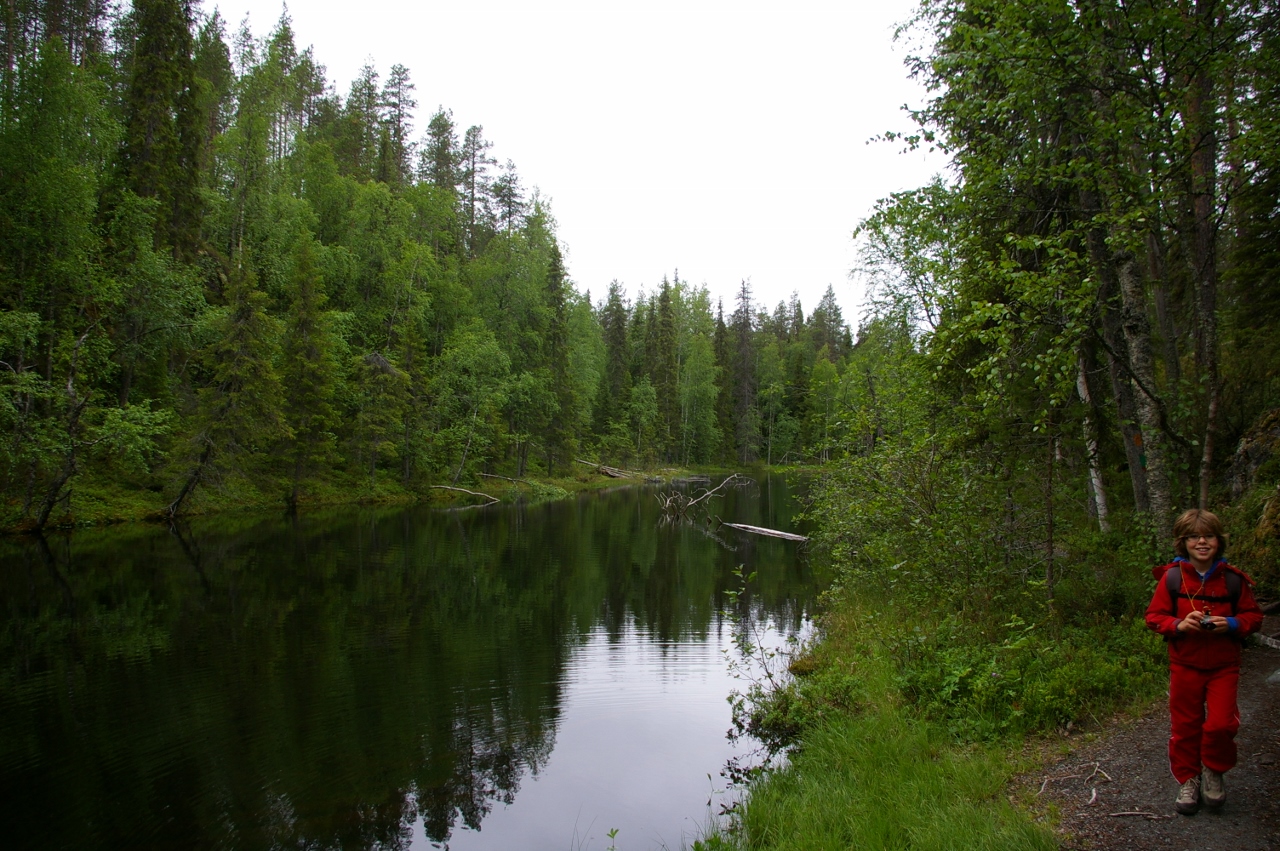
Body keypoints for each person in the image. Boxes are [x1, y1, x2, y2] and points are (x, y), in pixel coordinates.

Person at [1145, 508, 1264, 815]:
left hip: (1224, 665)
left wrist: (1233, 624)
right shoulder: (1171, 578)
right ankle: (1189, 779)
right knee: (1185, 726)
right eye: (1194, 537)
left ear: (1218, 541)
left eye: (1208, 535)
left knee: (1221, 725)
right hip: (1184, 664)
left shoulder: (1234, 581)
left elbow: (1253, 616)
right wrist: (1178, 625)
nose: (1201, 542)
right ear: (1182, 542)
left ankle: (1213, 770)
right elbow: (1154, 617)